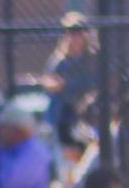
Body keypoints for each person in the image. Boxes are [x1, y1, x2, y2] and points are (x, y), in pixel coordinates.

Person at [39, 13, 100, 146]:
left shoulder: (93, 59)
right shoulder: (60, 61)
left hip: (88, 113)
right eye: (71, 32)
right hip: (64, 114)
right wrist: (54, 84)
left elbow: (99, 84)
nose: (76, 37)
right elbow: (48, 82)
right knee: (54, 102)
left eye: (79, 32)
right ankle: (52, 139)